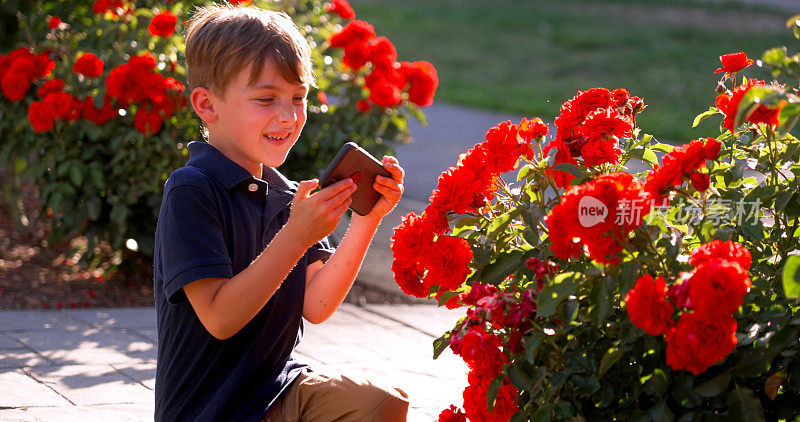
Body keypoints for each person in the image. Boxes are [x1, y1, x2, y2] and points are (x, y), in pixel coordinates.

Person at [153, 5, 409, 421]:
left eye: (298, 98)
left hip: (277, 391)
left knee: (382, 402)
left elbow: (317, 304)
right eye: (265, 99)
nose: (288, 116)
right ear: (206, 105)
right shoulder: (192, 189)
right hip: (211, 411)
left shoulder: (289, 197)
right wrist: (295, 236)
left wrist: (367, 219)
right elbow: (219, 318)